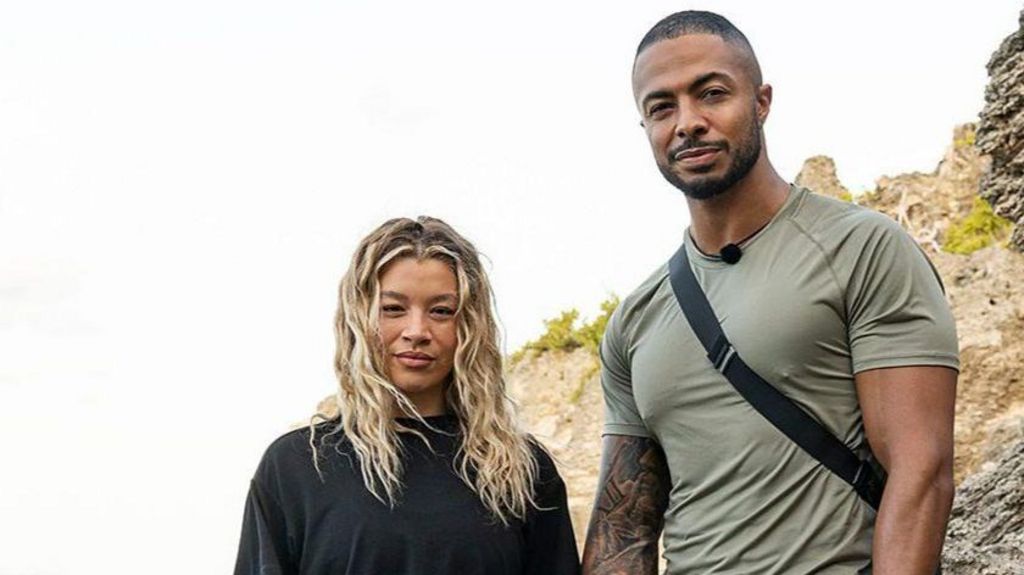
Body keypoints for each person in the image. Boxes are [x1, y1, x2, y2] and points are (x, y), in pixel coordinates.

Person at [581, 11, 958, 575]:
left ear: (761, 102)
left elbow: (921, 472)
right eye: (661, 107)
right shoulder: (635, 320)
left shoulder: (863, 249)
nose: (688, 123)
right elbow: (623, 529)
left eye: (711, 94)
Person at [235, 217, 580, 575]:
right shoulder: (296, 468)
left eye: (441, 311)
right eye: (393, 309)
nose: (417, 331)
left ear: (470, 325)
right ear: (358, 318)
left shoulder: (521, 470)